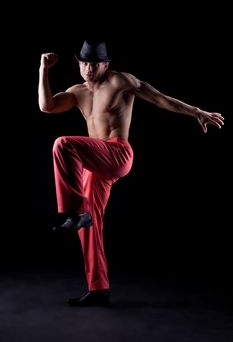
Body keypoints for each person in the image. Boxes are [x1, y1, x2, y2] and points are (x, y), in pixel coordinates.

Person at [38, 40, 224, 306]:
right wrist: (43, 69)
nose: (89, 69)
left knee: (63, 144)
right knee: (89, 226)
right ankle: (99, 289)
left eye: (95, 64)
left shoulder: (120, 82)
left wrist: (196, 112)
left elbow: (159, 98)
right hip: (96, 163)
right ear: (79, 65)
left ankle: (76, 211)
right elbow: (46, 106)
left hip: (117, 153)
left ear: (105, 64)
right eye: (84, 64)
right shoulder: (77, 92)